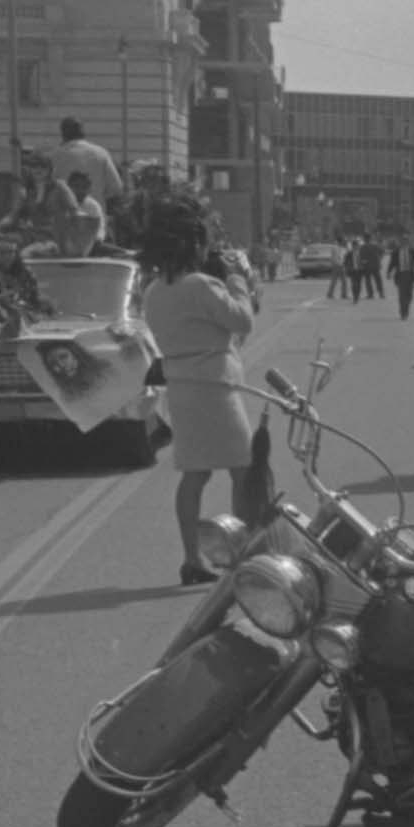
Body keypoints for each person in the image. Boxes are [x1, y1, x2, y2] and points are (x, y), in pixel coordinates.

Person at [137, 193, 263, 583]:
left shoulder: (154, 291)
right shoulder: (202, 286)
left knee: (195, 474)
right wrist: (238, 279)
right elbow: (242, 321)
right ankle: (242, 554)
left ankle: (193, 558)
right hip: (215, 386)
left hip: (181, 387)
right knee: (242, 469)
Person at [52, 117, 124, 202]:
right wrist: (98, 196)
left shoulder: (56, 155)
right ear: (83, 132)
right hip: (96, 211)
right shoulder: (101, 153)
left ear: (63, 134)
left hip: (66, 211)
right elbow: (116, 187)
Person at [390, 236, 414, 320]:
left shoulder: (412, 251)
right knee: (402, 295)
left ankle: (406, 309)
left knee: (409, 295)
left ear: (408, 243)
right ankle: (403, 312)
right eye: (402, 241)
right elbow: (392, 263)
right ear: (400, 243)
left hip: (410, 275)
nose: (404, 243)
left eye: (406, 241)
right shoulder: (396, 252)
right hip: (400, 274)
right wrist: (389, 272)